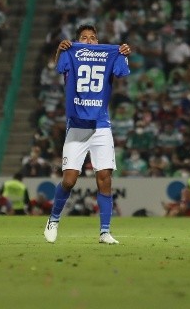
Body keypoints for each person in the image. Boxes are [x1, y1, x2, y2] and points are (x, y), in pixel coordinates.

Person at [43, 25, 131, 244]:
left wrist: (124, 54)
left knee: (105, 179)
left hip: (101, 125)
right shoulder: (70, 53)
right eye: (84, 38)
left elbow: (121, 72)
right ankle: (53, 219)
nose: (90, 41)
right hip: (77, 126)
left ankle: (105, 231)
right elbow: (59, 68)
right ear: (77, 41)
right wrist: (60, 50)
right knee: (70, 179)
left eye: (93, 38)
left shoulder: (110, 54)